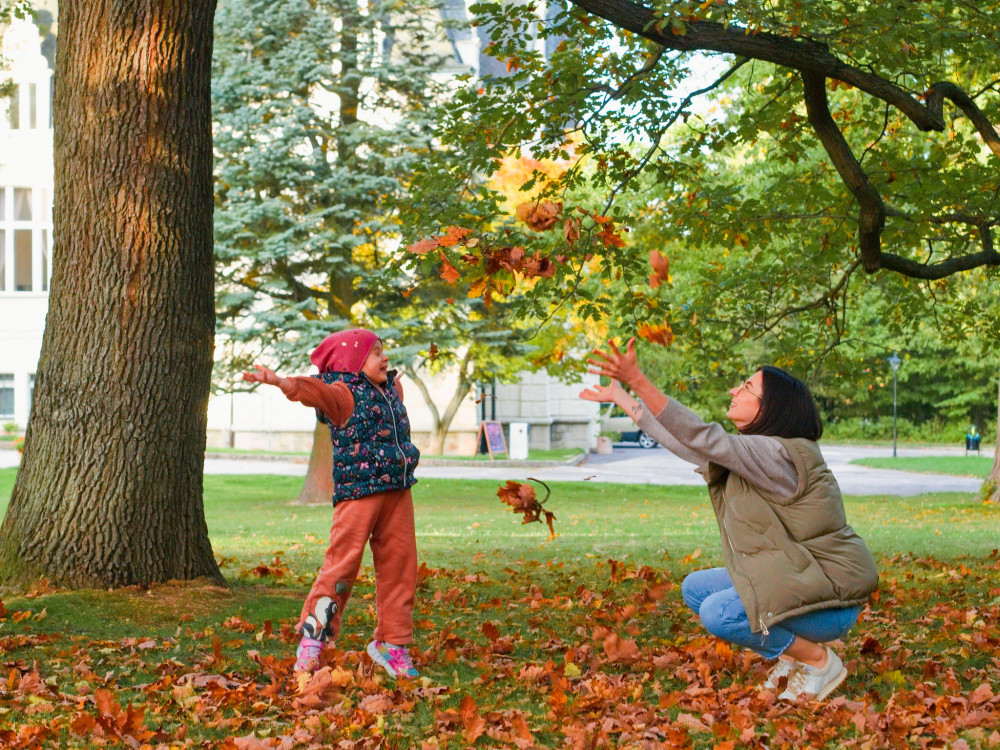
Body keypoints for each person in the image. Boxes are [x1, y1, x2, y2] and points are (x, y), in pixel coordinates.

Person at [580, 338, 878, 702]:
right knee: (695, 588)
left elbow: (702, 436)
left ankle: (817, 660)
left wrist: (639, 381)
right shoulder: (757, 453)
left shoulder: (779, 454)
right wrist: (623, 398)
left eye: (748, 387)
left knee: (718, 612)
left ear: (773, 408)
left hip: (832, 602)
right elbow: (690, 445)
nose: (735, 390)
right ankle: (792, 655)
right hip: (807, 580)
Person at [242, 328, 421, 678]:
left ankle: (392, 643)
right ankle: (313, 641)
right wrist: (280, 382)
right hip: (359, 495)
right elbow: (314, 391)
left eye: (383, 351)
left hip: (398, 491)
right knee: (342, 566)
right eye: (375, 353)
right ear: (354, 362)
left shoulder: (392, 389)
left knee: (402, 566)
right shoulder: (343, 394)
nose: (384, 358)